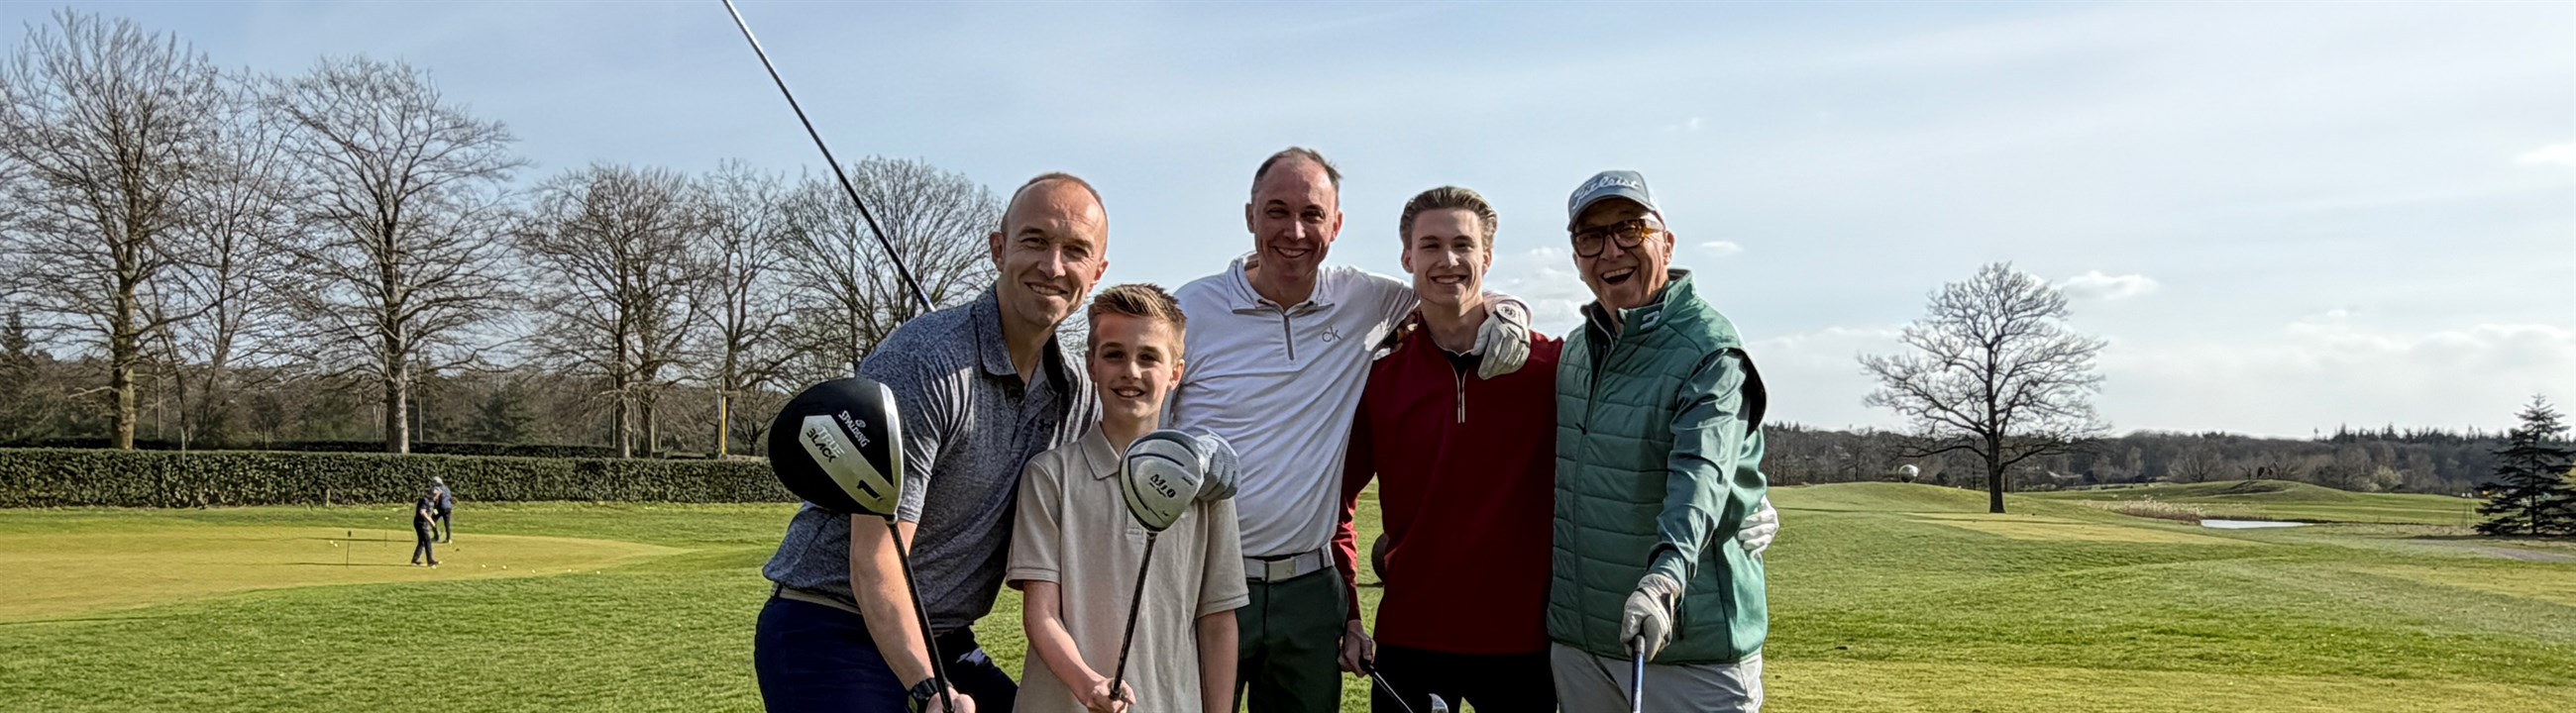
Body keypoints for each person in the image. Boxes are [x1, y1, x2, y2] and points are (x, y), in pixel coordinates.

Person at [1330, 187, 1781, 713]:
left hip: (1528, 647)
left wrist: (1747, 495)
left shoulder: (1553, 367)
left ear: (1488, 257)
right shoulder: (1380, 378)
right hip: (1412, 638)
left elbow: (1660, 437)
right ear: (1407, 257)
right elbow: (1334, 503)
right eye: (1430, 245)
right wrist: (1348, 610)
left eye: (1463, 245)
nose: (1448, 260)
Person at [1167, 148, 1531, 713]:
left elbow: (1453, 288)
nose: (1295, 231)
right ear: (1249, 216)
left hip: (1309, 592)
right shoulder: (1189, 310)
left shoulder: (1363, 298)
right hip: (1203, 580)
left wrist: (1510, 310)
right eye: (1277, 211)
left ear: (1335, 225)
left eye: (1312, 215)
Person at [757, 173, 1111, 713]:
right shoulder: (925, 362)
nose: (1053, 266)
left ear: (1098, 271)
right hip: (830, 626)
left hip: (944, 637)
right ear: (999, 249)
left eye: (1076, 250)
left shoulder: (1076, 395)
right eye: (1035, 241)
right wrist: (927, 689)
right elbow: (876, 557)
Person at [1548, 170, 1771, 712]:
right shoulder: (1576, 350)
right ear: (1576, 258)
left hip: (1687, 649)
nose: (1611, 250)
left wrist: (1664, 581)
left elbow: (1700, 478)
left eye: (1630, 229)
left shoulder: (1709, 349)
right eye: (1591, 237)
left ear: (1665, 243)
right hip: (1582, 645)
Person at [1010, 284, 1245, 713]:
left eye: (1149, 357)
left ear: (1175, 372)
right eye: (1114, 354)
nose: (1131, 371)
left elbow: (1217, 621)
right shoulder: (1050, 476)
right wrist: (1089, 686)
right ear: (1092, 365)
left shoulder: (1206, 487)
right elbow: (1041, 615)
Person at [410, 487, 440, 567]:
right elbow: (422, 512)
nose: (437, 497)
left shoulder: (432, 501)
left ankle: (415, 560)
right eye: (437, 495)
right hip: (420, 523)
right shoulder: (424, 500)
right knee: (427, 540)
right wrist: (431, 522)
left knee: (422, 542)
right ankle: (430, 560)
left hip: (424, 524)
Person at [431, 476, 455, 543]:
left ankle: (436, 536)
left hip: (440, 508)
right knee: (447, 523)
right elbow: (450, 498)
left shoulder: (437, 488)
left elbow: (436, 497)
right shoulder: (447, 488)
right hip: (448, 507)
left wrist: (434, 506)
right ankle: (448, 538)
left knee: (432, 520)